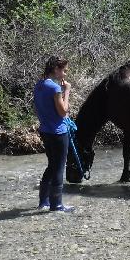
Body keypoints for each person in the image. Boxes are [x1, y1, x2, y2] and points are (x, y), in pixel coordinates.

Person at [33, 55, 75, 212]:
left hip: (45, 131)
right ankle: (57, 205)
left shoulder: (39, 85)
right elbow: (63, 112)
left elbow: (36, 109)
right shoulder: (54, 88)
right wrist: (67, 91)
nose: (65, 74)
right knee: (58, 167)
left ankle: (43, 202)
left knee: (51, 165)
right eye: (64, 70)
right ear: (56, 70)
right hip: (58, 133)